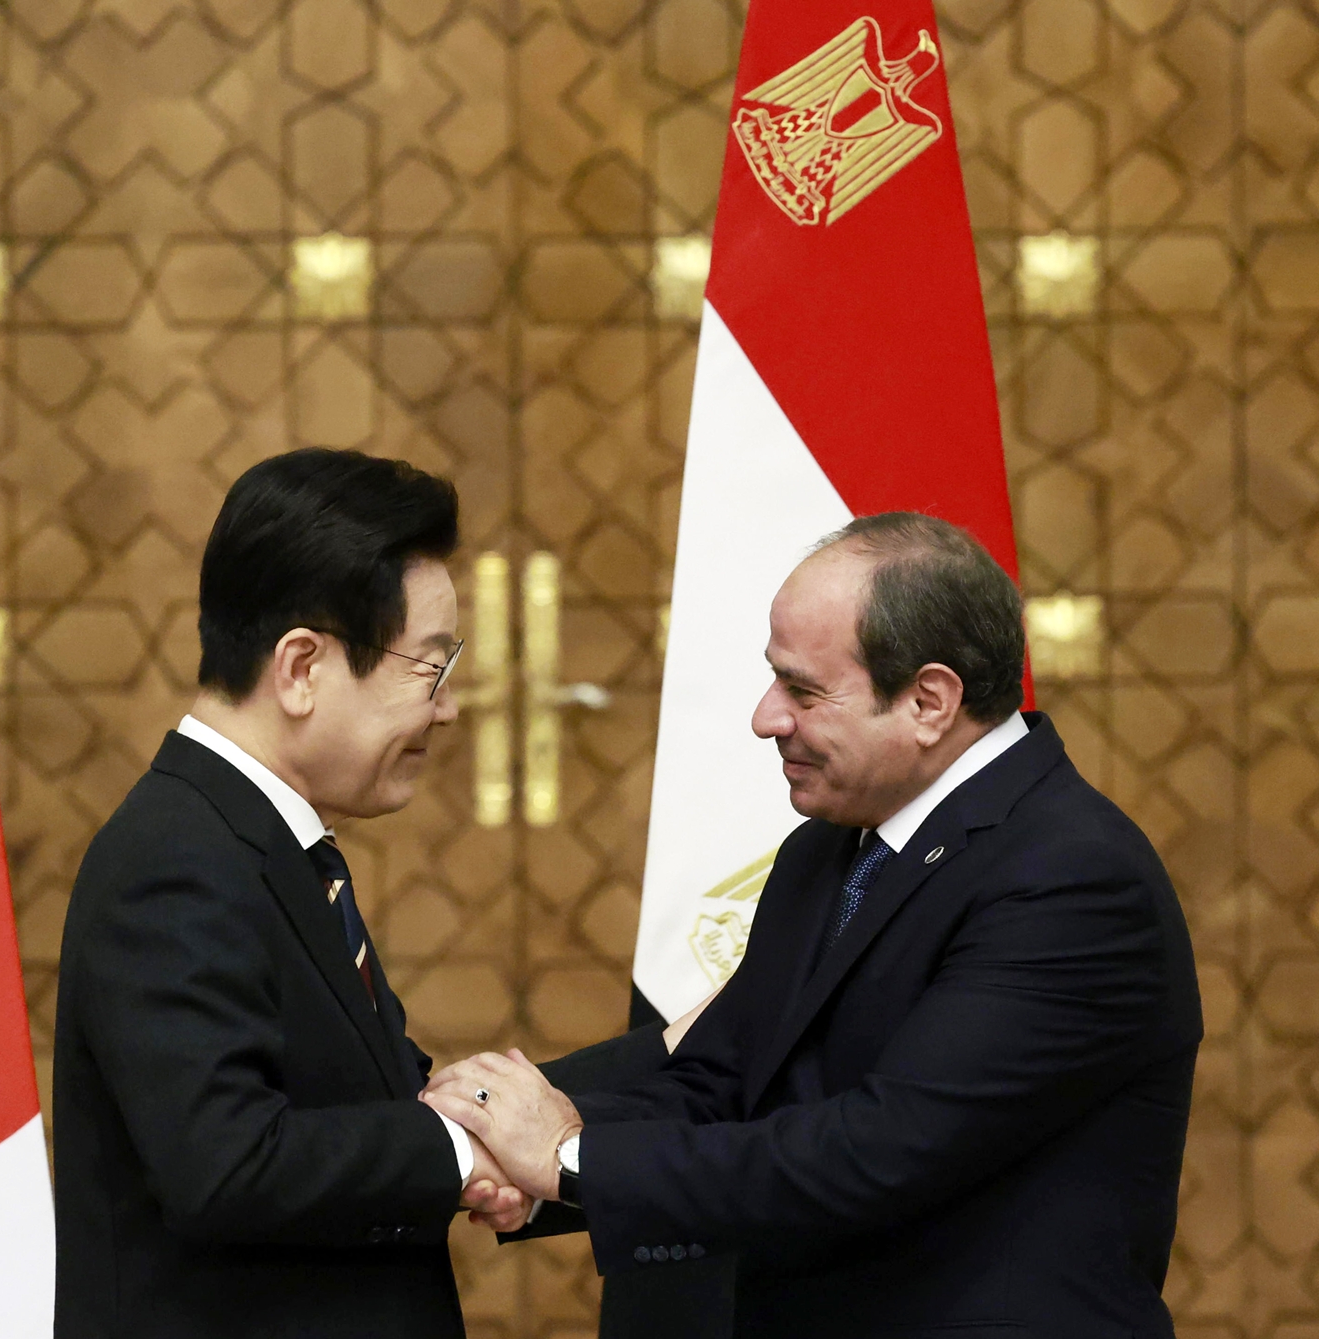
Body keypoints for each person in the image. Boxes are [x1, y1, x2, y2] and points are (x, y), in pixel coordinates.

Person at [430, 512, 1204, 1339]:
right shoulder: (826, 851)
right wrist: (498, 1143)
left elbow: (878, 1150)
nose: (767, 718)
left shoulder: (1069, 878)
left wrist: (569, 1158)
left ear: (929, 700)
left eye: (803, 689)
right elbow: (723, 1082)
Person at [52, 448, 526, 1339]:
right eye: (430, 666)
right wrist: (459, 1148)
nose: (449, 707)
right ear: (302, 665)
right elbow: (227, 1164)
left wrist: (658, 1058)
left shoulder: (264, 842)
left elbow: (386, 1106)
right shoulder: (175, 859)